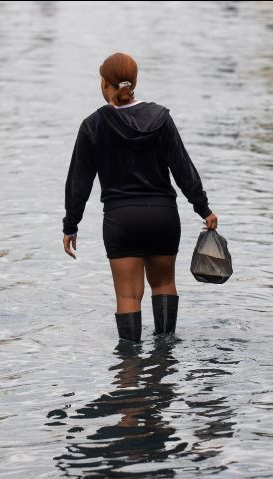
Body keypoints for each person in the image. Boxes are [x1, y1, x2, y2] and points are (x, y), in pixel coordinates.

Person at [62, 52, 218, 343]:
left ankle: (130, 372)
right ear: (133, 82)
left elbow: (79, 181)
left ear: (105, 84)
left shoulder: (93, 125)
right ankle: (165, 363)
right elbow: (183, 167)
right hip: (162, 217)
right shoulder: (160, 118)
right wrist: (203, 209)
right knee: (165, 284)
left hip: (122, 220)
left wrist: (71, 225)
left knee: (127, 296)